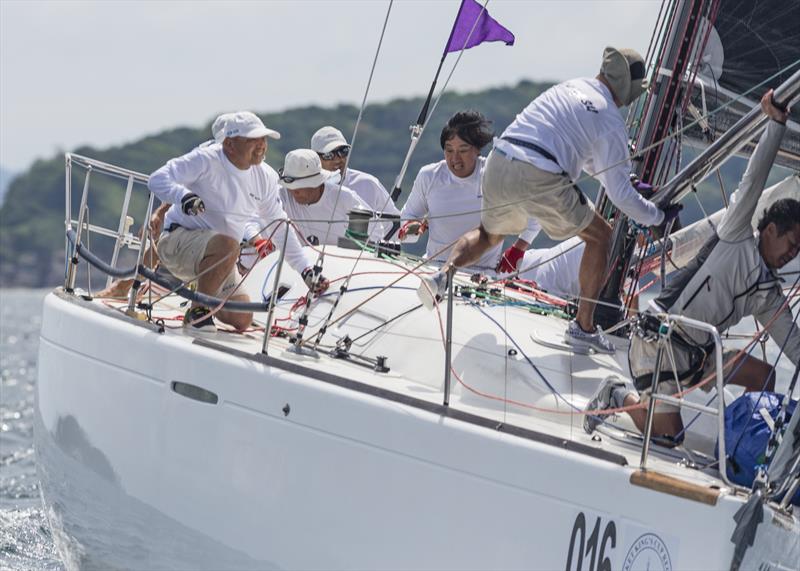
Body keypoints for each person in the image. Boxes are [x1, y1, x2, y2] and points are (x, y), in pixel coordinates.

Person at [418, 47, 676, 354]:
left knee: (488, 235)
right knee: (601, 236)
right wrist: (657, 218)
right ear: (626, 86)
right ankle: (584, 328)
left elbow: (593, 164)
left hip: (500, 161)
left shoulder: (567, 88)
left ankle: (442, 274)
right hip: (539, 171)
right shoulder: (609, 117)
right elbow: (620, 196)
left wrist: (625, 181)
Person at [583, 91, 800, 442]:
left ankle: (737, 445)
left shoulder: (768, 296)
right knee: (670, 437)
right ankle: (617, 394)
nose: (793, 254)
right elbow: (753, 180)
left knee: (764, 378)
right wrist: (775, 123)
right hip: (659, 346)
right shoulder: (736, 235)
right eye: (791, 244)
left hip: (700, 356)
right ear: (771, 230)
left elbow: (795, 347)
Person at [148, 111, 325, 333]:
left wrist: (306, 271)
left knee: (242, 319)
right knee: (229, 244)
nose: (261, 145)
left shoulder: (266, 177)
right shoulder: (207, 159)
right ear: (230, 144)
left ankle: (204, 293)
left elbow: (279, 224)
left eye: (264, 139)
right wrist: (183, 197)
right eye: (253, 140)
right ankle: (198, 312)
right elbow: (157, 179)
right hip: (177, 241)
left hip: (219, 256)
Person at [400, 110, 539, 273]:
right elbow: (407, 217)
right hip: (434, 268)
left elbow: (536, 213)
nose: (455, 158)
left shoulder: (493, 175)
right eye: (449, 150)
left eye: (463, 150)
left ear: (477, 149)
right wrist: (412, 227)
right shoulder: (429, 176)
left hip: (481, 274)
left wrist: (518, 249)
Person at [278, 149, 389, 246]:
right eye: (290, 186)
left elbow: (376, 232)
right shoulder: (282, 196)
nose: (294, 191)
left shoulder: (345, 198)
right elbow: (262, 217)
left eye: (300, 185)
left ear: (317, 183)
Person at [311, 126, 400, 216]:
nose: (338, 159)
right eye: (329, 155)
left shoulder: (368, 184)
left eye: (343, 151)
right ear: (315, 159)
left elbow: (397, 224)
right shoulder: (305, 192)